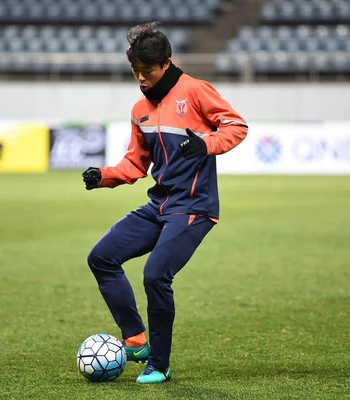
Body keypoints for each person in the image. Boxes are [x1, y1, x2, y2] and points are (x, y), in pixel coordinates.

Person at [82, 21, 248, 384]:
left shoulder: (197, 91)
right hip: (159, 205)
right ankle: (136, 340)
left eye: (147, 71)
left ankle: (159, 363)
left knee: (156, 275)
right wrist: (104, 176)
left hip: (194, 207)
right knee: (101, 257)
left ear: (167, 63)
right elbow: (136, 164)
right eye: (135, 72)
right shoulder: (140, 109)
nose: (141, 79)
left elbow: (236, 126)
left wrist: (206, 143)